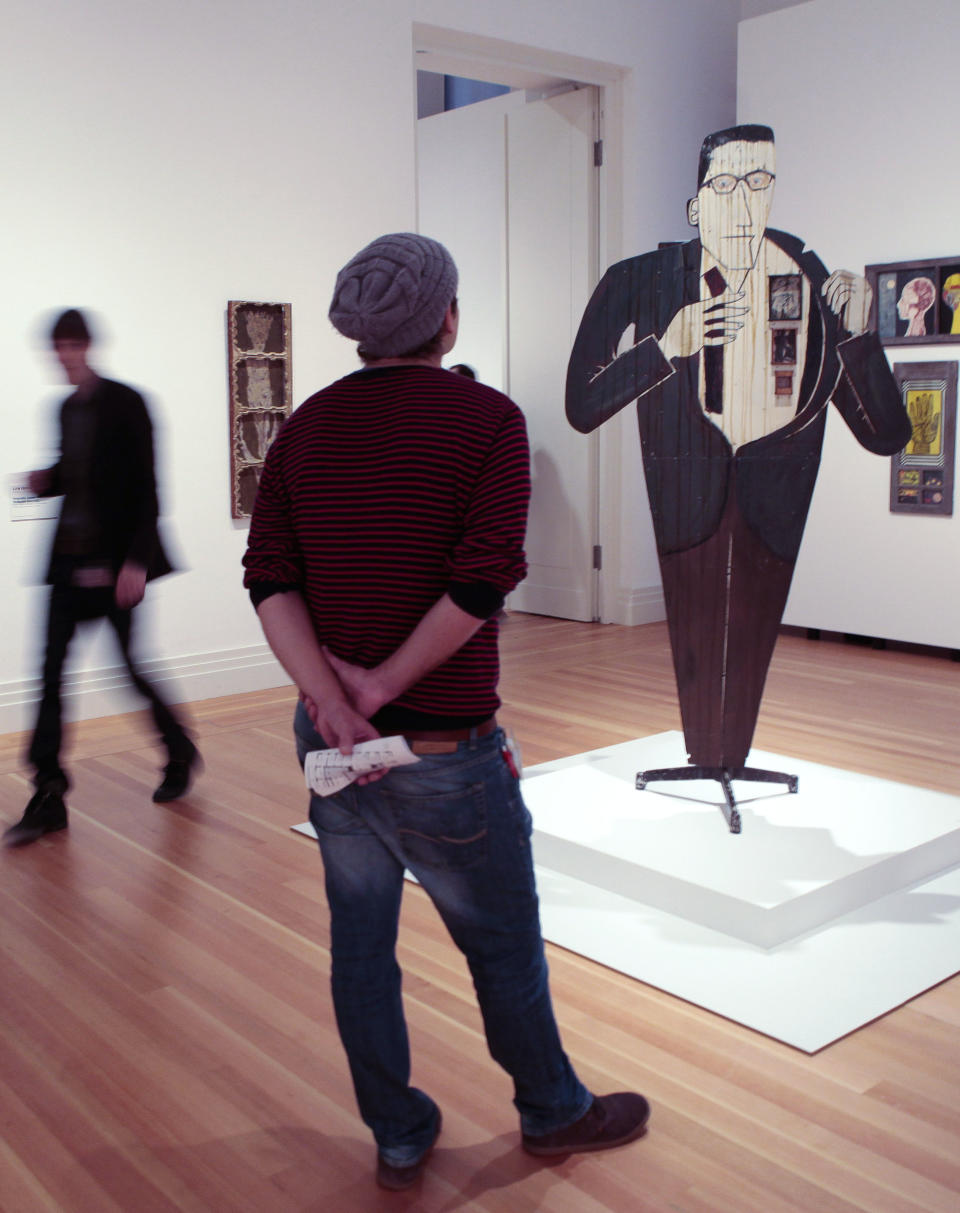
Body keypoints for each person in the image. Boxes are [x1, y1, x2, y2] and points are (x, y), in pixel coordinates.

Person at [242, 233, 649, 1191]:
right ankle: (552, 1110)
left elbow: (268, 577)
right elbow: (484, 578)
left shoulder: (302, 429)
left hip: (334, 749)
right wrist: (375, 693)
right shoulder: (490, 421)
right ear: (447, 319)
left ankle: (396, 1130)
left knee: (361, 949)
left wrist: (330, 700)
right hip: (442, 750)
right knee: (502, 944)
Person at [566, 125, 910, 774]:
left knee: (753, 635)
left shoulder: (811, 281)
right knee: (691, 631)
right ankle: (705, 753)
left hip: (775, 495)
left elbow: (884, 434)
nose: (744, 202)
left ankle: (732, 756)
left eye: (758, 183)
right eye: (726, 184)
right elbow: (584, 403)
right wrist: (665, 347)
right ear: (695, 206)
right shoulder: (640, 280)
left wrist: (860, 339)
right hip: (685, 492)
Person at [3, 310, 199, 848]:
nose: (63, 355)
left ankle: (179, 750)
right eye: (56, 347)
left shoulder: (127, 403)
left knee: (130, 669)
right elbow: (72, 474)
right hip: (67, 564)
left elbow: (147, 489)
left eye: (70, 345)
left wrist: (136, 563)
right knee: (49, 677)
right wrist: (43, 482)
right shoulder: (64, 409)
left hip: (115, 567)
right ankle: (48, 791)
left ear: (87, 346)